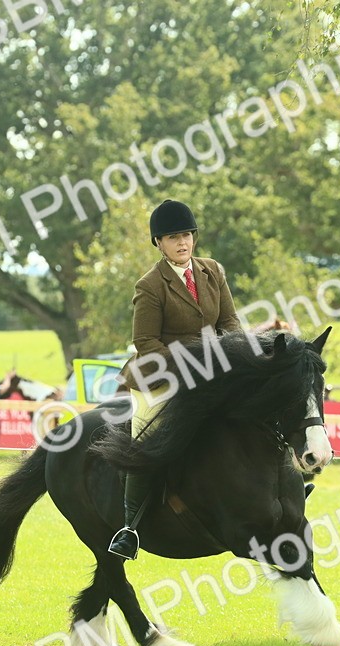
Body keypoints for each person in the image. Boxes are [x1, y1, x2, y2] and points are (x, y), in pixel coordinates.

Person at [109, 198, 242, 560]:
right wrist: (195, 359)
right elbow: (145, 342)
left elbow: (229, 323)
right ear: (159, 243)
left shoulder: (213, 271)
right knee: (147, 434)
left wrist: (230, 354)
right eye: (172, 237)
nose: (182, 242)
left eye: (186, 235)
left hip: (213, 368)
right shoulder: (150, 285)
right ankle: (129, 527)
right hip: (161, 375)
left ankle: (282, 486)